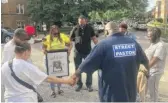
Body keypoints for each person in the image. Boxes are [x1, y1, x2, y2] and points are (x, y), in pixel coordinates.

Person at [71, 21, 149, 102]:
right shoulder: (133, 43)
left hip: (111, 94)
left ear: (107, 31)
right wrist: (148, 73)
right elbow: (145, 61)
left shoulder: (103, 45)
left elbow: (87, 63)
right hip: (130, 93)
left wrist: (75, 75)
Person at [1, 42, 75, 102]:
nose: (30, 54)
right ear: (26, 52)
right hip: (25, 99)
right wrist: (67, 81)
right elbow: (48, 79)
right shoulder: (27, 66)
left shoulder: (4, 66)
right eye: (30, 52)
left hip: (9, 99)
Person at [70, 15, 98, 92]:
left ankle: (89, 85)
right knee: (78, 69)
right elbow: (70, 39)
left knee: (89, 68)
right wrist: (68, 49)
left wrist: (98, 47)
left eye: (82, 21)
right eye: (79, 21)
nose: (81, 23)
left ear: (85, 21)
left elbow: (94, 38)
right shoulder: (75, 28)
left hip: (88, 52)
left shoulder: (90, 28)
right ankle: (79, 84)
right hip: (77, 52)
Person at [42, 25, 71, 98]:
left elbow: (70, 44)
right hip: (50, 59)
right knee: (51, 75)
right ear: (51, 31)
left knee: (60, 74)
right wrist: (44, 50)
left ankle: (59, 89)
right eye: (53, 31)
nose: (55, 33)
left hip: (61, 59)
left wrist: (69, 49)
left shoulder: (62, 36)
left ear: (58, 30)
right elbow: (43, 46)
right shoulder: (47, 38)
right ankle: (53, 91)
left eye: (56, 31)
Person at [145, 27, 167, 102]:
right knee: (145, 89)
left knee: (153, 93)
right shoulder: (153, 43)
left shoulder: (161, 45)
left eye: (150, 36)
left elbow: (155, 59)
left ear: (156, 36)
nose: (148, 38)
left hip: (155, 72)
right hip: (149, 70)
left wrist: (145, 68)